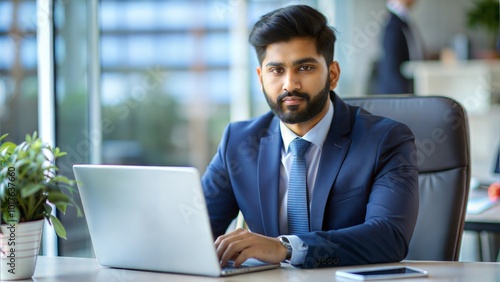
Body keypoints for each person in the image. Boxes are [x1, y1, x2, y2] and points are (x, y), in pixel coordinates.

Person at [202, 5, 419, 269]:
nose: (290, 84)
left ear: (333, 74)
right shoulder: (237, 143)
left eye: (304, 68)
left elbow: (388, 237)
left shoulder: (386, 140)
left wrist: (284, 248)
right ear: (260, 78)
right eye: (276, 70)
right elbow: (195, 231)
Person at [374, 0, 423, 94]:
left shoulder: (402, 21)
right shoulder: (392, 25)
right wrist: (405, 97)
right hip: (397, 93)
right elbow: (392, 65)